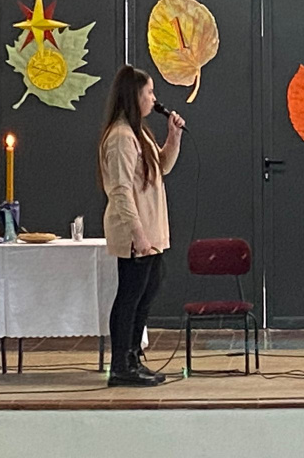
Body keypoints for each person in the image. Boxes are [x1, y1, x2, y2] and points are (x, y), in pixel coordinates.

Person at [98, 65, 184, 387]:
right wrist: (138, 234)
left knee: (146, 293)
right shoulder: (121, 137)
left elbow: (161, 167)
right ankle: (121, 365)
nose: (153, 98)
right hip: (137, 234)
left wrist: (173, 137)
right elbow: (120, 190)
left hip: (151, 231)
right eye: (149, 92)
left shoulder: (139, 133)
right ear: (134, 96)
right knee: (130, 296)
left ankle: (133, 358)